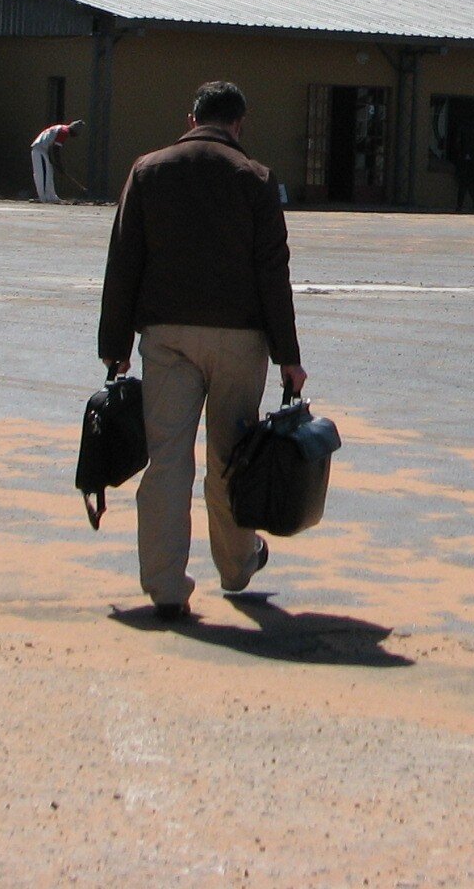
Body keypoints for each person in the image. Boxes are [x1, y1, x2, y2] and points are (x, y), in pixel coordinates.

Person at [99, 81, 304, 621]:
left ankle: (166, 585)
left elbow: (124, 262)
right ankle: (237, 566)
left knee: (167, 460)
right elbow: (272, 272)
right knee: (230, 458)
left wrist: (114, 346)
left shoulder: (148, 171)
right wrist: (289, 356)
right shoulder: (256, 179)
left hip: (166, 336)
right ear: (239, 124)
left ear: (191, 118)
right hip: (240, 337)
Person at [31, 117, 87, 203]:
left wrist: (56, 163)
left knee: (49, 173)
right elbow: (56, 149)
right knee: (42, 174)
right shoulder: (64, 132)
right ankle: (44, 198)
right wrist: (59, 165)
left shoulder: (61, 128)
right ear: (74, 131)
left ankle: (52, 197)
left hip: (44, 150)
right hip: (39, 149)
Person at [448, 111, 474, 211]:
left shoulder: (464, 127)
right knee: (473, 182)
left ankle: (466, 205)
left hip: (468, 157)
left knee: (466, 182)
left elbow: (458, 143)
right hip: (470, 158)